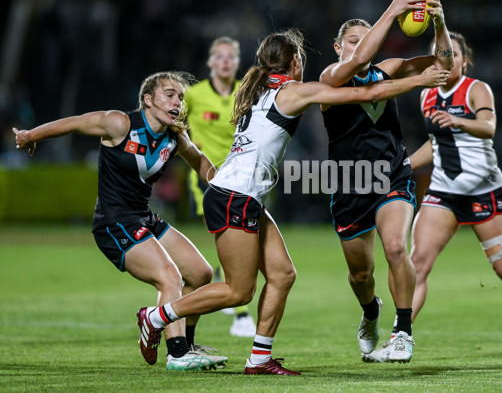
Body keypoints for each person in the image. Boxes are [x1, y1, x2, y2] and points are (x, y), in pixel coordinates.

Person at [134, 29, 450, 375]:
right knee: (238, 292)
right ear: (295, 61)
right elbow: (369, 92)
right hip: (235, 197)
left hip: (240, 195)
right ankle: (157, 316)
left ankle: (259, 359)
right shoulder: (292, 90)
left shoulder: (254, 88)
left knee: (283, 274)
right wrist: (420, 79)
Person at [12, 72, 228, 371]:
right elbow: (74, 122)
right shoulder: (120, 124)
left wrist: (229, 187)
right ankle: (177, 354)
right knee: (170, 277)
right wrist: (31, 135)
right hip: (113, 223)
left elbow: (200, 160)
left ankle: (187, 345)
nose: (177, 101)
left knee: (201, 273)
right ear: (148, 99)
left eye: (180, 96)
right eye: (169, 94)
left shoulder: (174, 137)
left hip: (143, 217)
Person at [319, 0, 453, 363]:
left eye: (365, 39)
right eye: (351, 40)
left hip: (392, 176)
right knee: (361, 276)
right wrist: (395, 9)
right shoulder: (330, 78)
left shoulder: (388, 69)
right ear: (337, 48)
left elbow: (444, 65)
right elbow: (360, 66)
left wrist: (440, 24)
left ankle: (403, 331)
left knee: (396, 246)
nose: (359, 46)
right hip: (350, 185)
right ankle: (370, 311)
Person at [408, 32, 502, 362]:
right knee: (417, 263)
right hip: (444, 192)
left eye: (453, 54)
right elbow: (435, 145)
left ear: (465, 60)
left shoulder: (475, 89)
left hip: (482, 190)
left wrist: (457, 120)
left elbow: (488, 127)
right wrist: (405, 165)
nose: (446, 59)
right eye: (439, 54)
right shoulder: (426, 96)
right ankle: (400, 337)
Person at [185, 36, 256, 337]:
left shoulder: (246, 92)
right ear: (210, 62)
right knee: (228, 238)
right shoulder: (193, 95)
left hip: (241, 179)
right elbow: (173, 122)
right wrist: (186, 144)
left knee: (231, 245)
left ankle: (219, 273)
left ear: (238, 62)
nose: (225, 61)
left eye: (231, 56)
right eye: (220, 56)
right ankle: (241, 316)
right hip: (207, 180)